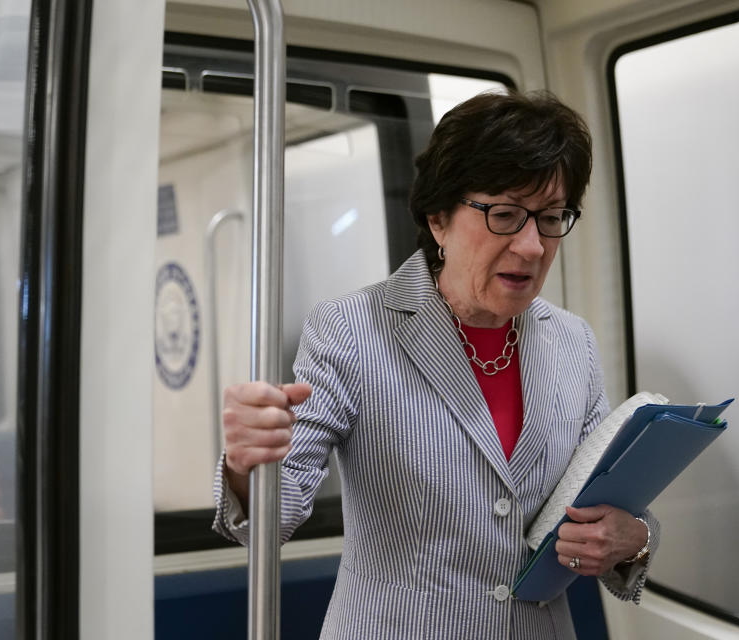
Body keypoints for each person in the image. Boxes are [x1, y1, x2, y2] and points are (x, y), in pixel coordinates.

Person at [212, 91, 657, 639]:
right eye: (505, 214)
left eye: (549, 218)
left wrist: (632, 537)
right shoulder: (351, 329)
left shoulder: (572, 342)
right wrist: (243, 462)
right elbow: (272, 519)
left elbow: (606, 498)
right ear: (438, 218)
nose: (532, 246)